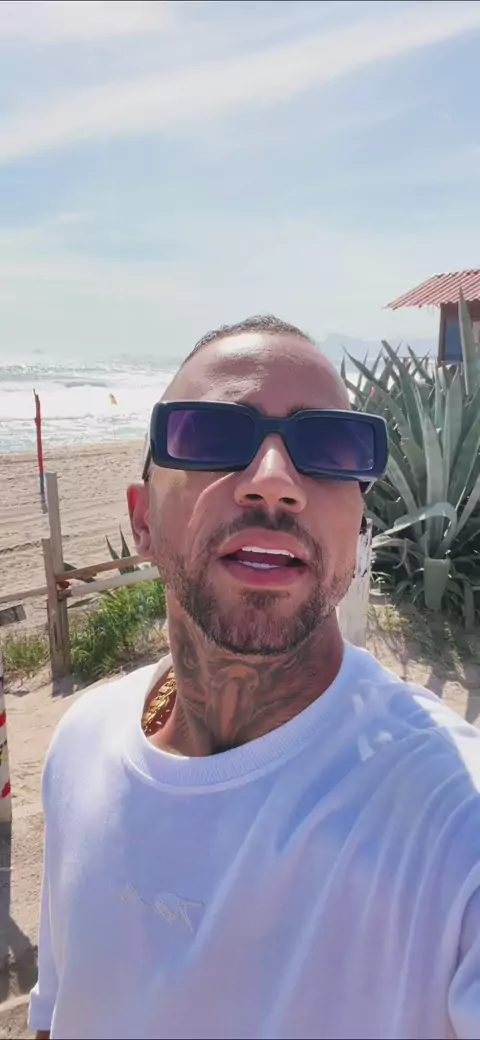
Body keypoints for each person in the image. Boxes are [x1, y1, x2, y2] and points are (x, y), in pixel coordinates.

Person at [30, 316, 480, 1040]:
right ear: (142, 521)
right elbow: (59, 1011)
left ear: (357, 531)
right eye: (212, 435)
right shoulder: (79, 745)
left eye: (331, 448)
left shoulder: (455, 821)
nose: (274, 481)